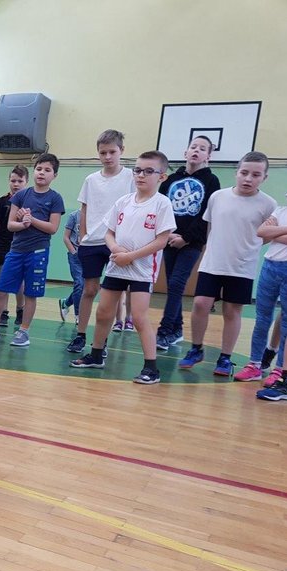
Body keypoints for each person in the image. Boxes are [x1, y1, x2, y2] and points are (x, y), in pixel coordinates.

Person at [70, 151, 176, 384]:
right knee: (103, 312)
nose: (141, 175)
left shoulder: (162, 204)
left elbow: (161, 240)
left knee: (138, 317)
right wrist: (116, 248)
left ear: (161, 176)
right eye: (138, 170)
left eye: (148, 171)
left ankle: (151, 367)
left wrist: (131, 256)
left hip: (142, 270)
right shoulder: (123, 202)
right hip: (117, 266)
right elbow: (109, 232)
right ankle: (96, 354)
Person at [179, 152, 278, 376]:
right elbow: (210, 227)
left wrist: (249, 247)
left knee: (232, 311)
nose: (248, 179)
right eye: (244, 173)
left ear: (264, 177)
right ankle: (196, 349)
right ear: (236, 172)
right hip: (213, 263)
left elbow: (268, 235)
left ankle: (225, 357)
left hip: (242, 267)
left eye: (255, 175)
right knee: (200, 304)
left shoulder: (268, 204)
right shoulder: (218, 197)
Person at [0, 154, 64, 345]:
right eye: (39, 169)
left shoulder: (55, 198)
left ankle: (24, 332)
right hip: (16, 251)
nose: (42, 173)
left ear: (54, 175)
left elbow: (53, 228)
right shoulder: (21, 196)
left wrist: (31, 220)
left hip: (38, 252)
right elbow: (11, 225)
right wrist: (23, 223)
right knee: (1, 289)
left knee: (30, 293)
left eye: (47, 170)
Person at [66, 130, 135, 354]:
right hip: (92, 243)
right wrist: (83, 236)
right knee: (89, 290)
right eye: (103, 152)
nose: (107, 156)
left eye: (112, 152)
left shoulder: (131, 177)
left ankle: (101, 341)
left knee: (111, 294)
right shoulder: (91, 180)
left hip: (117, 244)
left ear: (121, 151)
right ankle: (80, 334)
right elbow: (84, 209)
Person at [155, 136, 221, 350]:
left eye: (202, 149)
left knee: (177, 283)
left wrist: (186, 238)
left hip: (191, 242)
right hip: (169, 239)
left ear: (208, 156)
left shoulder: (212, 181)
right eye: (193, 147)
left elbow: (206, 214)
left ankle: (164, 331)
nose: (196, 151)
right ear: (186, 152)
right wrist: (168, 234)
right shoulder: (171, 179)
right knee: (172, 283)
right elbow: (161, 206)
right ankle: (177, 330)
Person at [235, 202, 287, 388]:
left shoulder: (279, 215)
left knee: (286, 322)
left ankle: (280, 369)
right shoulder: (280, 210)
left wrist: (274, 232)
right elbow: (262, 232)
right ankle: (254, 364)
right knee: (262, 318)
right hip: (270, 266)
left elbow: (268, 233)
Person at [0, 166, 28, 327]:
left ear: (26, 182)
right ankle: (3, 312)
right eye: (13, 181)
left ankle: (20, 309)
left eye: (20, 181)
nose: (16, 184)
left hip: (22, 245)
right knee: (3, 279)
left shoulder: (29, 201)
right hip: (3, 246)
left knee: (19, 281)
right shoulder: (3, 201)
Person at [58, 208, 83, 324]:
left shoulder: (95, 216)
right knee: (79, 284)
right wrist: (73, 252)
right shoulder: (74, 216)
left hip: (89, 256)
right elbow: (66, 237)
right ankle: (78, 315)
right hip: (75, 256)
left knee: (86, 287)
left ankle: (66, 303)